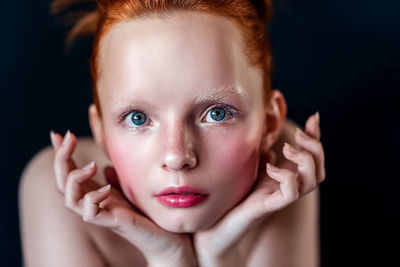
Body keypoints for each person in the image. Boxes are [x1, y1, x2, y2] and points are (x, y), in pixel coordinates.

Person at [18, 0, 326, 266]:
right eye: (138, 118)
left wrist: (220, 258)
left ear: (269, 124)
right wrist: (168, 258)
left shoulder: (285, 169)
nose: (177, 156)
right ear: (100, 129)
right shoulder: (55, 191)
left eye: (216, 114)